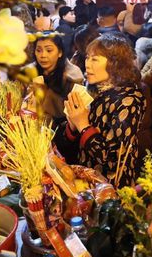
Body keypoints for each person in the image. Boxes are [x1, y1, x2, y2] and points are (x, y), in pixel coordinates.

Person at [62, 34, 145, 187]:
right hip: (86, 183)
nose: (87, 64)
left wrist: (83, 125)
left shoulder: (130, 99)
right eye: (87, 57)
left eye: (94, 59)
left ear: (115, 64)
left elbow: (112, 159)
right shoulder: (92, 90)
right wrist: (72, 125)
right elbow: (70, 147)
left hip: (111, 191)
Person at [33, 35, 84, 120]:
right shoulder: (30, 72)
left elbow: (75, 112)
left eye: (49, 50)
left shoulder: (72, 78)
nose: (43, 55)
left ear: (60, 52)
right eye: (38, 50)